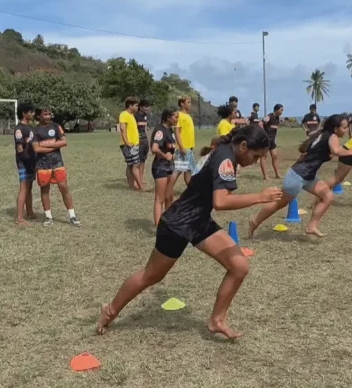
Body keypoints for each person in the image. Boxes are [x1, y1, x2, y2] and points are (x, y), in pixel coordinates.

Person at [97, 126, 283, 339]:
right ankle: (110, 310)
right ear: (242, 146)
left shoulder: (223, 151)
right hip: (178, 223)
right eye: (256, 155)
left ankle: (217, 320)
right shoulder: (225, 159)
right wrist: (260, 197)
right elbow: (221, 202)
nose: (257, 161)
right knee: (150, 276)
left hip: (199, 221)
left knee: (239, 266)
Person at [249, 114, 352, 238]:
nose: (346, 130)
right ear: (335, 129)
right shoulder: (331, 136)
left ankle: (311, 226)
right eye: (344, 128)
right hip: (297, 176)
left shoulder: (324, 135)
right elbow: (336, 151)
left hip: (308, 176)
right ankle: (255, 221)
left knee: (328, 196)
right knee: (278, 204)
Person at [32, 106, 80, 227]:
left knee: (64, 187)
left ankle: (72, 216)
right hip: (42, 164)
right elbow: (36, 148)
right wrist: (54, 145)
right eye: (45, 114)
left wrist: (46, 145)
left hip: (57, 162)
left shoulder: (56, 126)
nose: (48, 116)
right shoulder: (35, 130)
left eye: (49, 114)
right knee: (45, 189)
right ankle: (48, 217)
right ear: (38, 116)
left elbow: (64, 142)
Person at [151, 108, 180, 226]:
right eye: (176, 117)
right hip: (160, 167)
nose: (178, 119)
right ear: (168, 117)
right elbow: (154, 148)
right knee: (160, 198)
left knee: (169, 196)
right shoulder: (160, 130)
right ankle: (159, 227)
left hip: (169, 167)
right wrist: (165, 155)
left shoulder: (170, 130)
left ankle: (168, 223)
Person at [14, 103, 37, 225]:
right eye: (31, 111)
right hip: (24, 163)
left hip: (31, 162)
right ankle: (19, 217)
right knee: (23, 188)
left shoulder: (30, 127)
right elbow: (19, 148)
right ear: (24, 113)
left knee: (29, 188)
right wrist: (25, 161)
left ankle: (30, 212)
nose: (33, 114)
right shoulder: (19, 128)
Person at [119, 97, 144, 191]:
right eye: (136, 105)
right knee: (135, 164)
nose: (137, 107)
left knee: (130, 165)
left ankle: (131, 186)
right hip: (129, 145)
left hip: (134, 144)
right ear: (130, 105)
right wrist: (127, 142)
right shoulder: (124, 114)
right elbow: (122, 129)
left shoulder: (131, 115)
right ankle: (141, 186)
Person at [173, 95, 197, 186]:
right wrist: (181, 147)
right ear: (182, 104)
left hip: (189, 148)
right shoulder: (179, 115)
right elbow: (177, 131)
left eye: (190, 102)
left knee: (188, 170)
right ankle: (168, 187)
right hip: (183, 148)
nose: (190, 104)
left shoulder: (187, 116)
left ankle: (191, 189)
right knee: (178, 170)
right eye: (188, 102)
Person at [259, 103, 284, 180]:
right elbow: (260, 123)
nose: (282, 111)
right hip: (266, 141)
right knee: (264, 157)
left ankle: (277, 174)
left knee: (275, 156)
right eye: (281, 110)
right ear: (276, 110)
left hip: (272, 141)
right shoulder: (269, 116)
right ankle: (265, 176)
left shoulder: (277, 118)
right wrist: (264, 134)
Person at [135, 99, 151, 189]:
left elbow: (145, 128)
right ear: (140, 107)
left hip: (145, 140)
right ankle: (137, 179)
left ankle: (141, 177)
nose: (147, 108)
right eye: (145, 106)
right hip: (138, 140)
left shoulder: (145, 115)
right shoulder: (135, 115)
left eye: (147, 107)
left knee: (143, 160)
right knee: (137, 160)